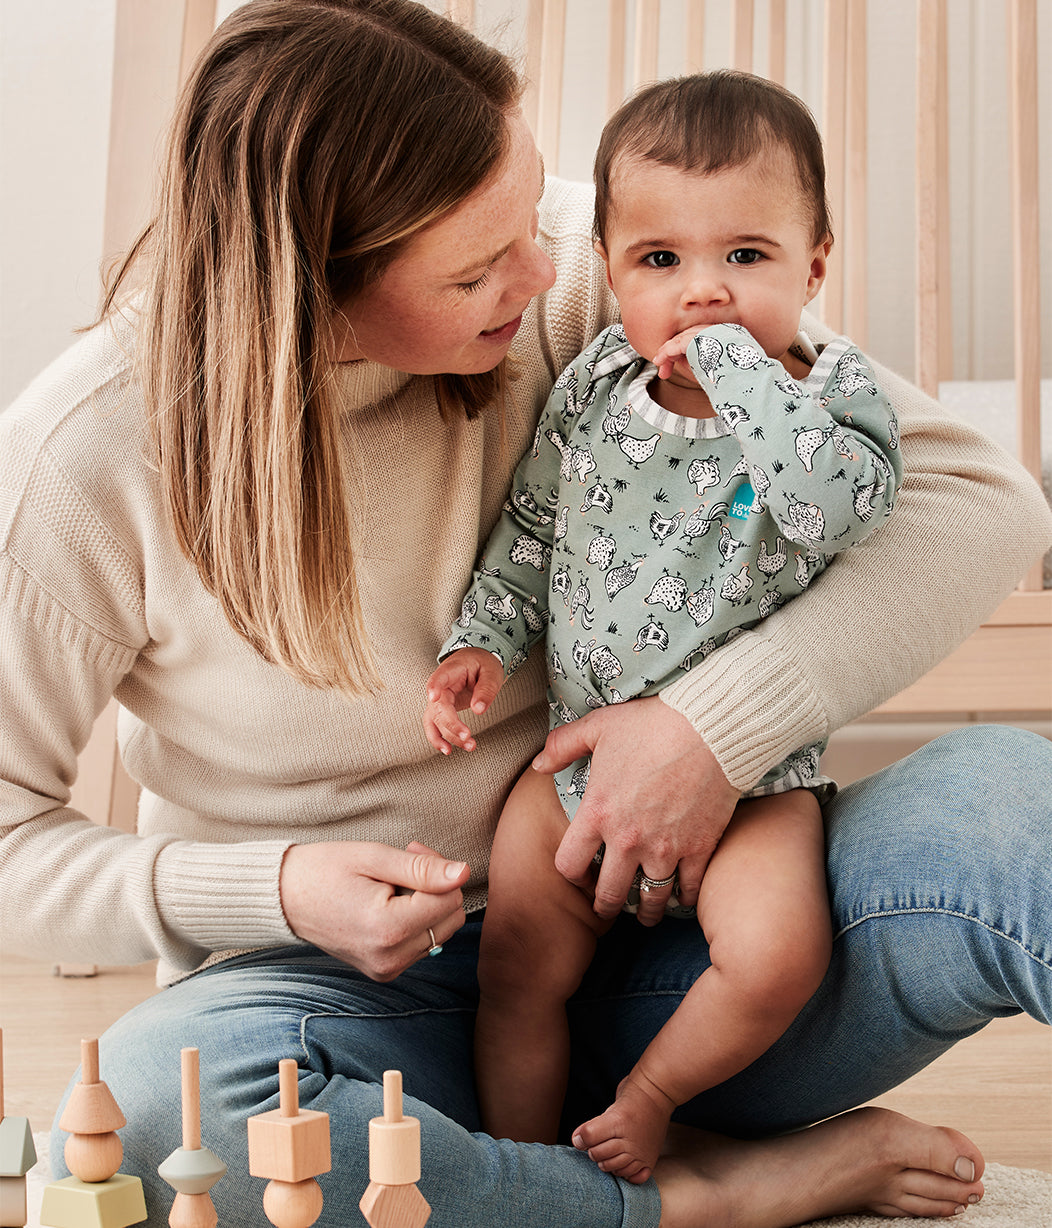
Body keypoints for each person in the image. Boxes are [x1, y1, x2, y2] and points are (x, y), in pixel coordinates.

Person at [0, 2, 1048, 1225]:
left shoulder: (609, 273)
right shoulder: (80, 466)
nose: (550, 271)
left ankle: (569, 1175)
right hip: (348, 1011)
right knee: (162, 1115)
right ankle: (701, 1196)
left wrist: (706, 730)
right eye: (475, 269)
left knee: (1012, 805)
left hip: (687, 947)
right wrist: (276, 889)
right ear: (311, 287)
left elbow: (978, 499)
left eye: (534, 215)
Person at [424, 70, 903, 1185]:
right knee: (514, 969)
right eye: (659, 262)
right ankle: (527, 1169)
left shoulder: (832, 399)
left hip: (749, 782)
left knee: (776, 956)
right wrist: (480, 642)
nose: (703, 295)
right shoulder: (593, 381)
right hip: (577, 761)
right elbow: (532, 528)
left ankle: (649, 1100)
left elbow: (823, 509)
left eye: (744, 257)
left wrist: (744, 374)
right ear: (608, 268)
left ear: (812, 266)